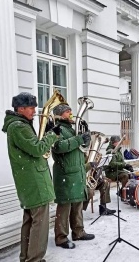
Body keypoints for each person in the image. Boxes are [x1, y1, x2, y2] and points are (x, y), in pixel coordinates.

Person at [2, 92, 60, 262]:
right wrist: (52, 134)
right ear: (20, 109)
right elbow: (37, 149)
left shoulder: (19, 125)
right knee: (39, 225)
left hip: (30, 181)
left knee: (30, 221)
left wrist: (46, 132)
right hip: (34, 181)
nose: (35, 110)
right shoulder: (19, 127)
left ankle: (26, 257)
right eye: (31, 107)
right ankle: (34, 259)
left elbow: (34, 147)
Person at [51, 104, 95, 250]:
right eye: (67, 111)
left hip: (76, 171)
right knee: (64, 206)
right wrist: (78, 139)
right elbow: (58, 147)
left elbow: (79, 147)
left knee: (77, 204)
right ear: (60, 114)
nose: (71, 113)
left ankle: (78, 232)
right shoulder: (57, 129)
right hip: (65, 173)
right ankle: (61, 237)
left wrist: (85, 138)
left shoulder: (71, 128)